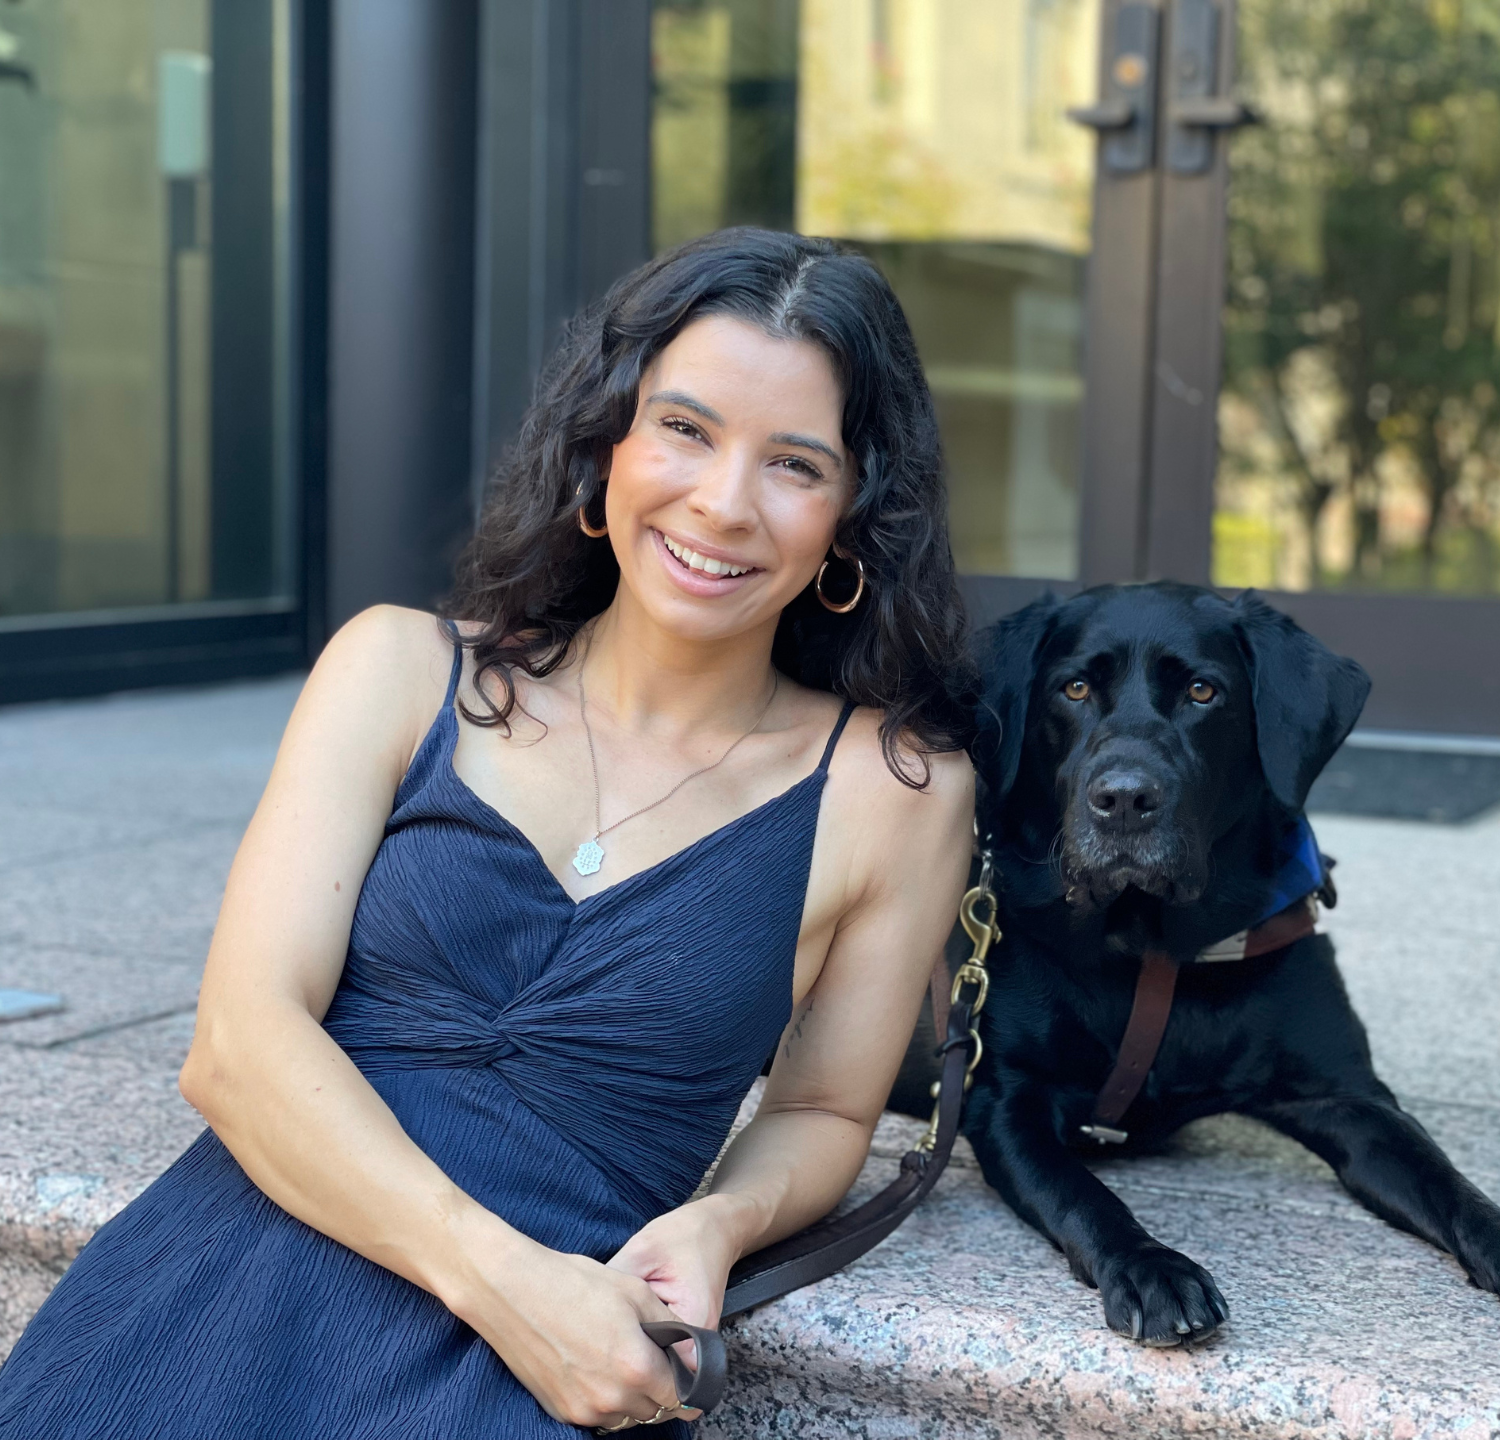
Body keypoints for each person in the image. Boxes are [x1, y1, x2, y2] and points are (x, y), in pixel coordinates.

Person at [0, 228, 975, 1437]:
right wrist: (505, 1285)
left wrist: (721, 1222)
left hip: (532, 1375)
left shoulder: (894, 791)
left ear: (854, 512)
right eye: (684, 427)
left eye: (793, 463)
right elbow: (237, 1044)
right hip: (214, 1294)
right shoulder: (398, 671)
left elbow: (824, 1114)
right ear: (605, 440)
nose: (723, 504)